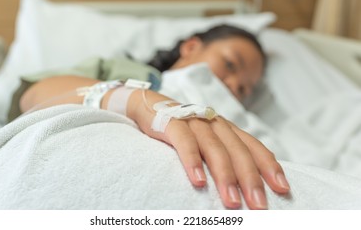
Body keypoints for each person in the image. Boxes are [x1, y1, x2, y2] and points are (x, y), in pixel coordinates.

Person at [15, 24, 290, 210]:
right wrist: (138, 101)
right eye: (229, 64)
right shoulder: (131, 73)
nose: (232, 86)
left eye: (243, 89)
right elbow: (33, 95)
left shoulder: (237, 118)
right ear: (191, 47)